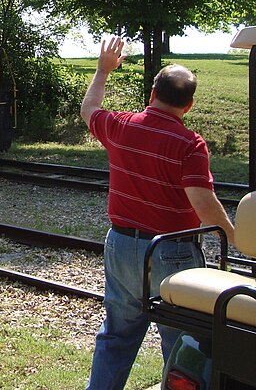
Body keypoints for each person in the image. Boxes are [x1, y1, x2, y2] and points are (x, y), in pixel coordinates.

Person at [81, 36, 236, 390]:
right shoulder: (190, 144)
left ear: (153, 94)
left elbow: (89, 110)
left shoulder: (121, 126)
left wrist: (102, 71)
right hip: (172, 252)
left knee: (117, 334)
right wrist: (231, 233)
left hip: (120, 244)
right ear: (190, 104)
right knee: (183, 341)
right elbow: (202, 201)